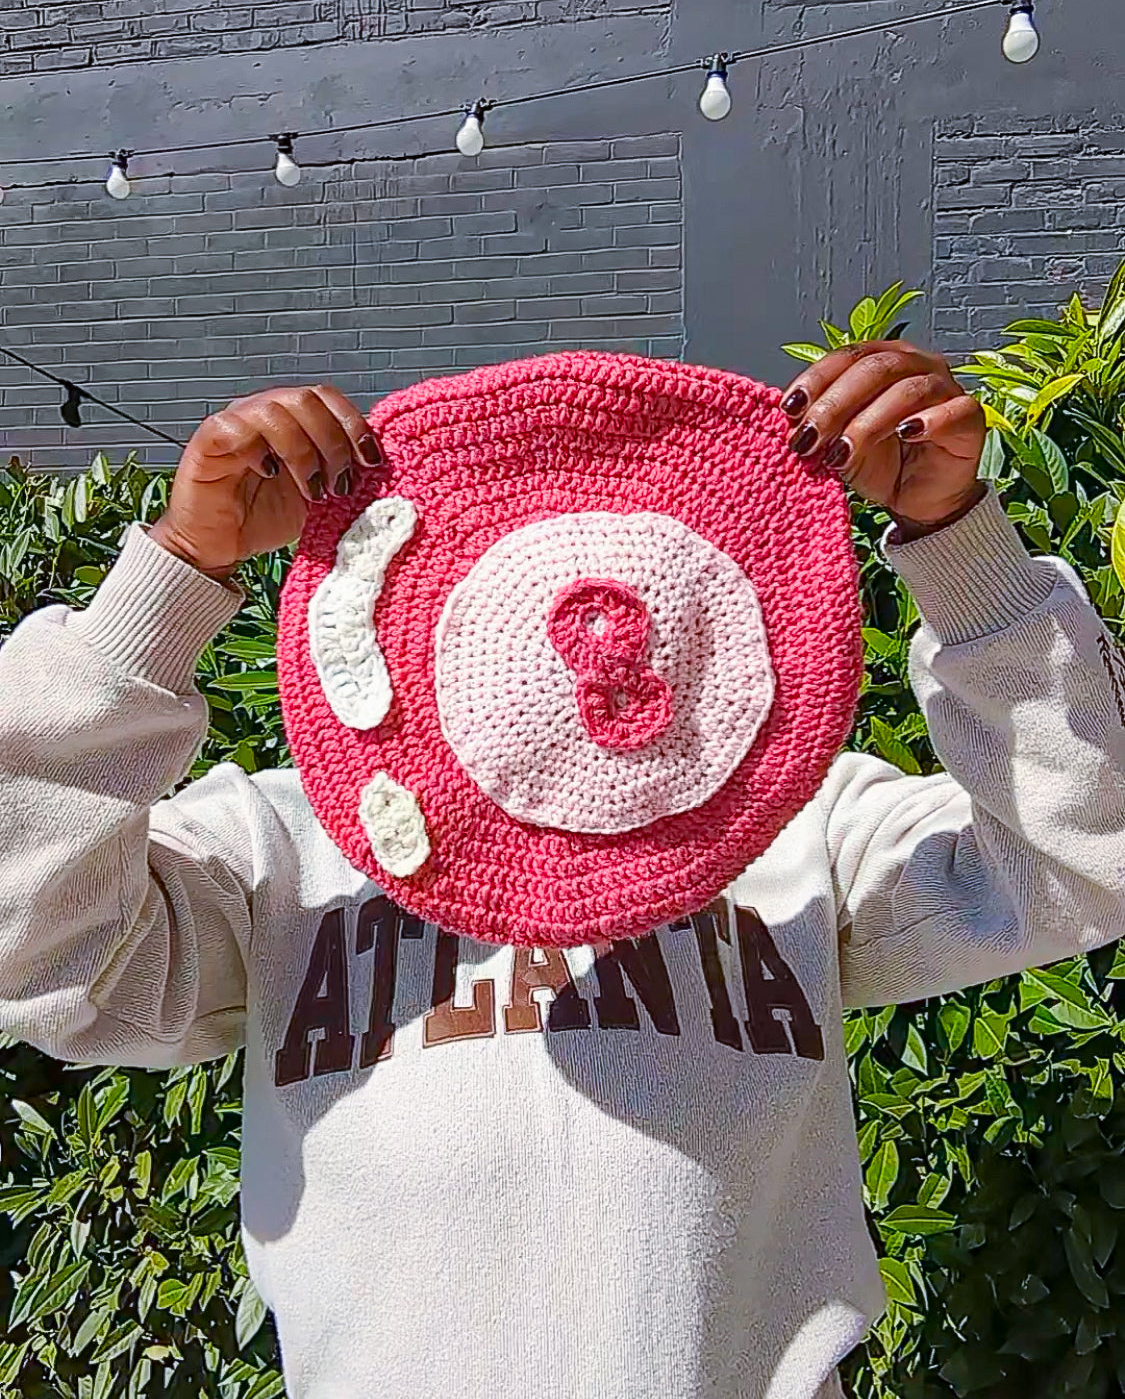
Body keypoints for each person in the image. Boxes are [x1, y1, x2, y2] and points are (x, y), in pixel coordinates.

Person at [0, 338, 1122, 1399]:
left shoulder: (795, 828)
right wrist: (171, 581)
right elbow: (36, 952)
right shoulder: (279, 851)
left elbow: (1086, 860)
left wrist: (963, 543)